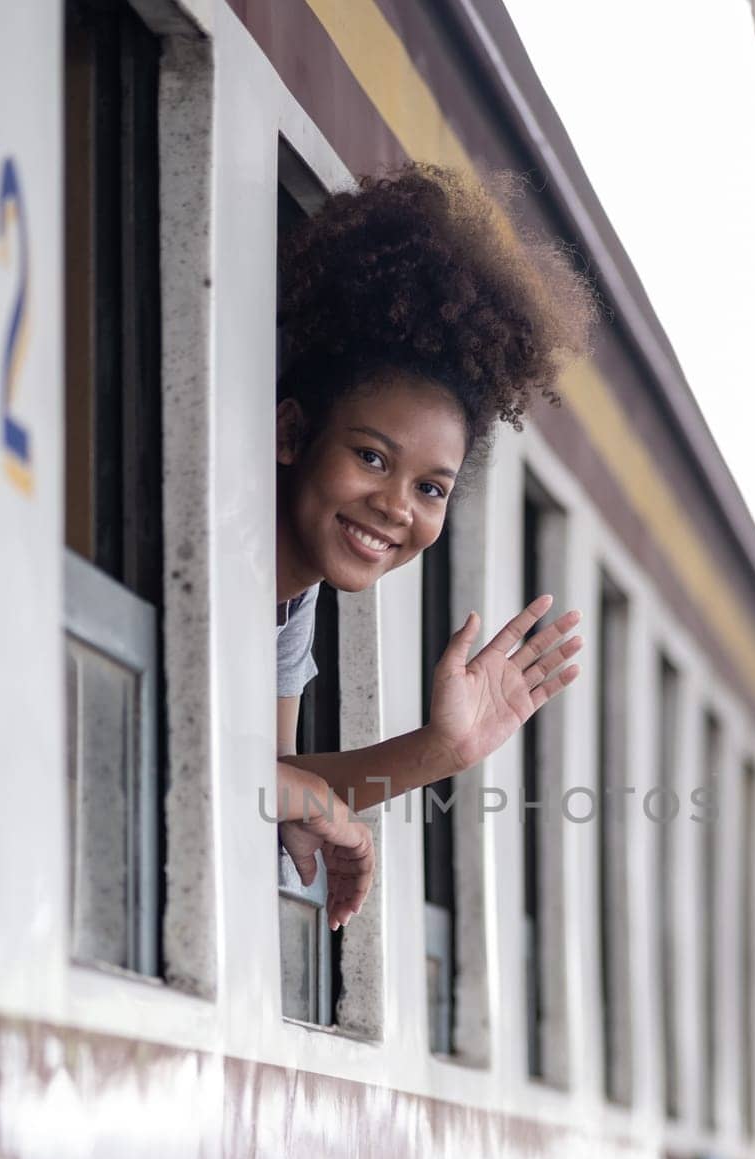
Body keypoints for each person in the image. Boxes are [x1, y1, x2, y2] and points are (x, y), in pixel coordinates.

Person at [272, 164, 598, 930]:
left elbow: (268, 776)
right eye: (372, 458)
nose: (394, 507)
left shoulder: (291, 600)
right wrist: (306, 797)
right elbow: (255, 774)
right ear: (292, 433)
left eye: (431, 488)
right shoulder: (228, 555)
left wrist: (443, 748)